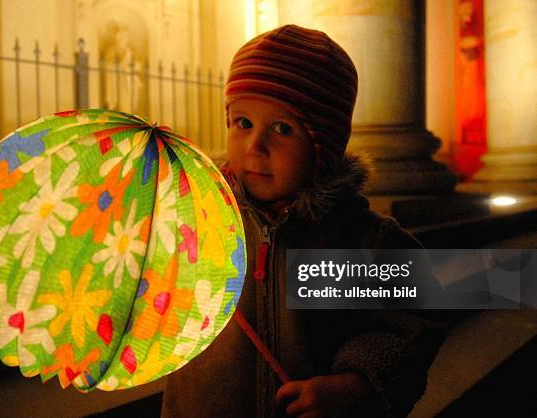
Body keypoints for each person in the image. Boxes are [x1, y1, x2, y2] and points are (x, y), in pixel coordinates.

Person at [161, 24, 446, 418]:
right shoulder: (199, 220)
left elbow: (410, 324)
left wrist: (356, 384)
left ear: (324, 146)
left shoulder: (359, 241)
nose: (254, 146)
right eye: (242, 123)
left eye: (282, 128)